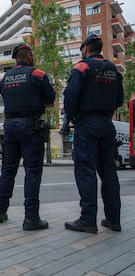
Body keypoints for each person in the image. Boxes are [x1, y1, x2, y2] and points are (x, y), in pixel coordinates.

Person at [63, 35, 123, 234]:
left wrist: (71, 118)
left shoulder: (82, 67)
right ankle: (114, 219)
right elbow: (119, 99)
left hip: (87, 124)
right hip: (107, 124)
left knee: (86, 170)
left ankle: (88, 219)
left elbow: (70, 96)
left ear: (86, 48)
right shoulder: (114, 69)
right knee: (108, 171)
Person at [0, 44, 55, 231]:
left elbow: (4, 95)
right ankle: (31, 218)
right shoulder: (37, 74)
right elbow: (50, 98)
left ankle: (0, 212)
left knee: (7, 171)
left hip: (10, 127)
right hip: (30, 127)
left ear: (15, 58)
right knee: (33, 172)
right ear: (28, 55)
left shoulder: (6, 78)